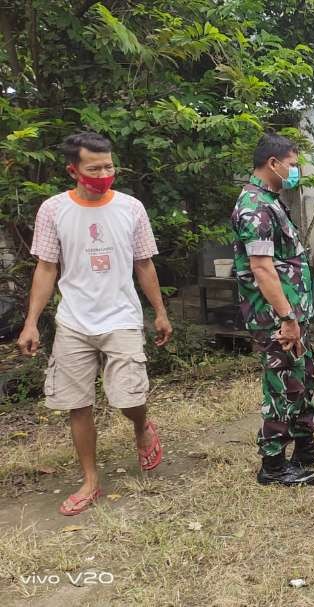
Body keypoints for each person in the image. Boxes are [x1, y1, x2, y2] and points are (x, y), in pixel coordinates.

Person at [17, 131, 173, 515]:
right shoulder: (53, 210)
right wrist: (31, 322)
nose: (104, 173)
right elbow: (47, 268)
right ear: (74, 170)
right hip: (73, 320)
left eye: (109, 165)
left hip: (121, 316)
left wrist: (160, 311)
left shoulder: (131, 208)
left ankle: (141, 427)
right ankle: (90, 481)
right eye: (94, 167)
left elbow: (144, 263)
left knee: (130, 397)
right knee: (77, 403)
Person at [231, 132, 314, 487]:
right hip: (275, 316)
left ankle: (306, 447)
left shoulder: (271, 200)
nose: (296, 172)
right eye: (293, 165)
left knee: (303, 377)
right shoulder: (254, 207)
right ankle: (274, 464)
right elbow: (262, 268)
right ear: (273, 164)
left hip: (292, 312)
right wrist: (286, 318)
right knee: (282, 383)